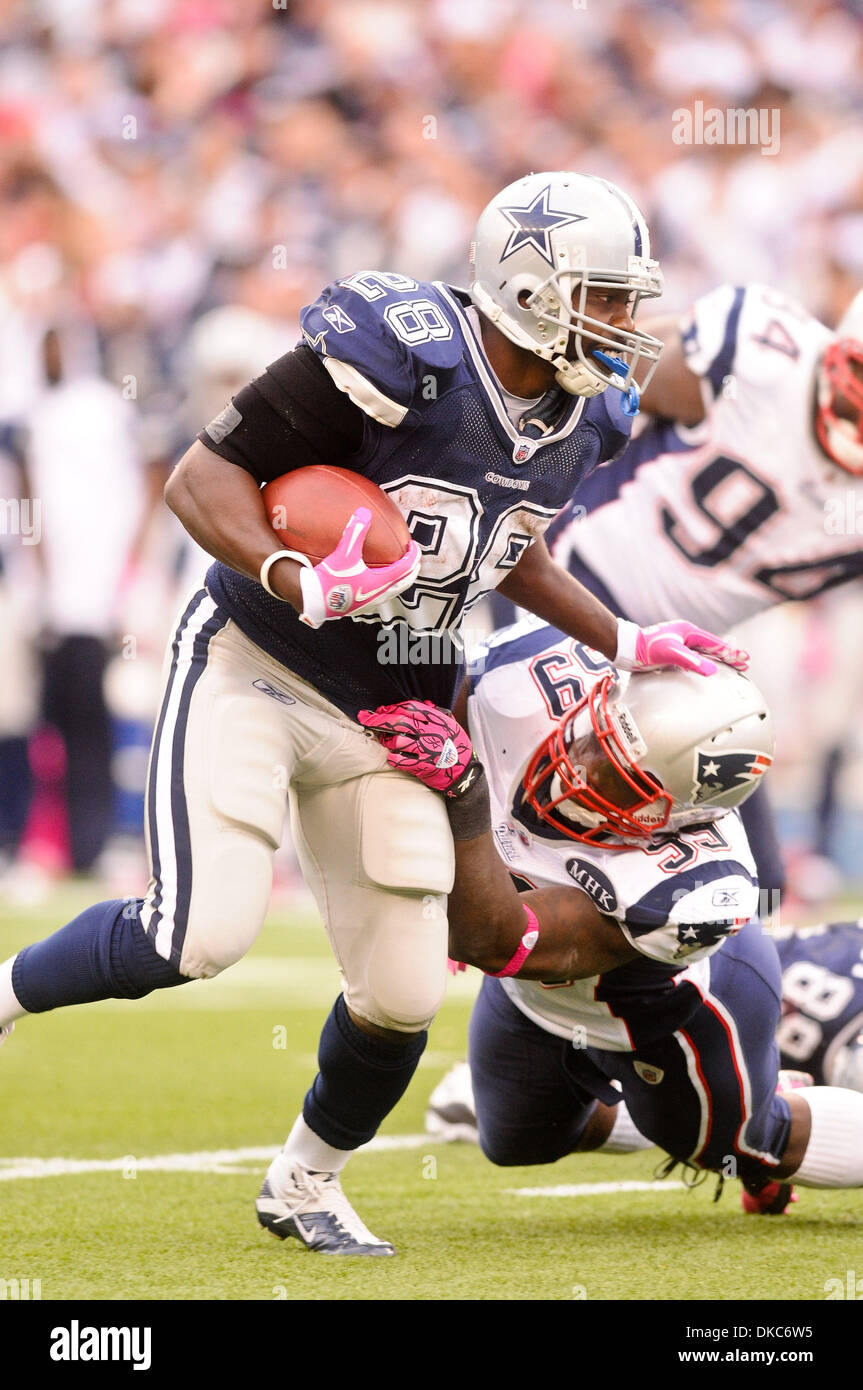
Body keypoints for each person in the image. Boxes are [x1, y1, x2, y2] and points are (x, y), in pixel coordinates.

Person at [0, 171, 742, 1257]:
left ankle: (303, 1181)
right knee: (194, 934)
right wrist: (293, 573)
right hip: (257, 658)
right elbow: (204, 481)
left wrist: (622, 640)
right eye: (606, 297)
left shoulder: (586, 416)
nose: (625, 326)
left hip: (394, 705)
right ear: (530, 291)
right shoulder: (403, 351)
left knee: (401, 988)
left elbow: (504, 537)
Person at [361, 619, 863, 1216]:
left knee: (738, 1145)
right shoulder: (529, 670)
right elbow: (426, 684)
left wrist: (464, 795)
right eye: (598, 741)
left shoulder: (702, 887)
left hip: (669, 1010)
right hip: (541, 998)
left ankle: (768, 1104)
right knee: (518, 1138)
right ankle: (644, 1104)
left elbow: (497, 940)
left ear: (683, 814)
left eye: (622, 783)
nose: (583, 770)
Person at [535, 283, 863, 901]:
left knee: (752, 881)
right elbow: (595, 374)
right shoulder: (765, 351)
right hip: (578, 590)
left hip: (689, 662)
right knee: (565, 833)